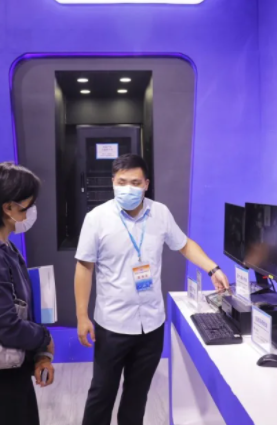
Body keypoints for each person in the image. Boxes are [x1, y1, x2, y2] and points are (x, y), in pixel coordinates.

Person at [75, 154, 230, 425]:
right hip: (112, 325)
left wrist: (213, 269)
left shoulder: (160, 213)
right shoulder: (96, 218)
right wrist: (81, 316)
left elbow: (184, 244)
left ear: (146, 184)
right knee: (102, 394)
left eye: (135, 183)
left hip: (151, 325)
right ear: (113, 182)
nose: (128, 188)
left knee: (137, 398)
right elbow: (84, 267)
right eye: (122, 182)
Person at [0, 162, 55, 425]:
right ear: (8, 208)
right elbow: (5, 324)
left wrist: (40, 354)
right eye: (28, 205)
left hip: (12, 373)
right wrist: (44, 337)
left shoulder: (4, 247)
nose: (31, 211)